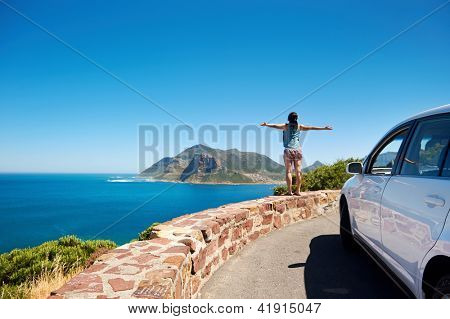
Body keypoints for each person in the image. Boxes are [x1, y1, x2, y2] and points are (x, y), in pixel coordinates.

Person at [261, 112, 332, 195]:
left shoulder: (285, 126)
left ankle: (289, 191)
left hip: (288, 150)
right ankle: (298, 191)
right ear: (296, 119)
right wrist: (324, 128)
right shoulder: (299, 126)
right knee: (298, 171)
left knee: (288, 171)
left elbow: (275, 126)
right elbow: (312, 127)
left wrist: (267, 124)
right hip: (298, 150)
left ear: (288, 119)